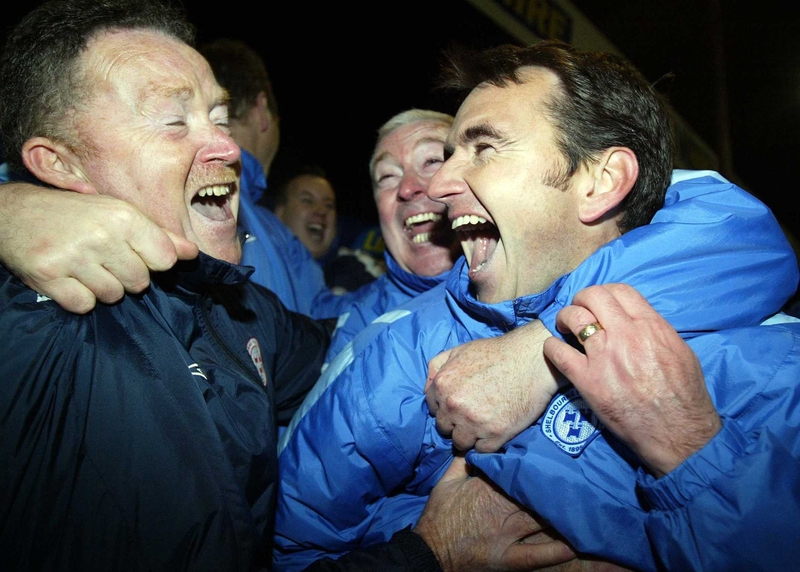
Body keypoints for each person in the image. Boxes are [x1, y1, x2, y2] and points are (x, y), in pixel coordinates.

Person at [0, 2, 575, 570]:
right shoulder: (30, 330)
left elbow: (355, 348)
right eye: (174, 121)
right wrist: (430, 555)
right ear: (60, 164)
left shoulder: (239, 309)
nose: (228, 148)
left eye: (220, 119)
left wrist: (544, 338)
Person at [273, 41, 800, 570]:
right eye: (449, 153)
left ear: (602, 181)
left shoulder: (767, 357)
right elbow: (296, 547)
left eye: (484, 148)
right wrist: (427, 544)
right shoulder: (401, 353)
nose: (436, 186)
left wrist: (693, 455)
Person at [199, 38, 343, 318]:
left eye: (329, 205)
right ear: (262, 110)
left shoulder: (277, 232)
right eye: (306, 200)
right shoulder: (273, 231)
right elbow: (327, 318)